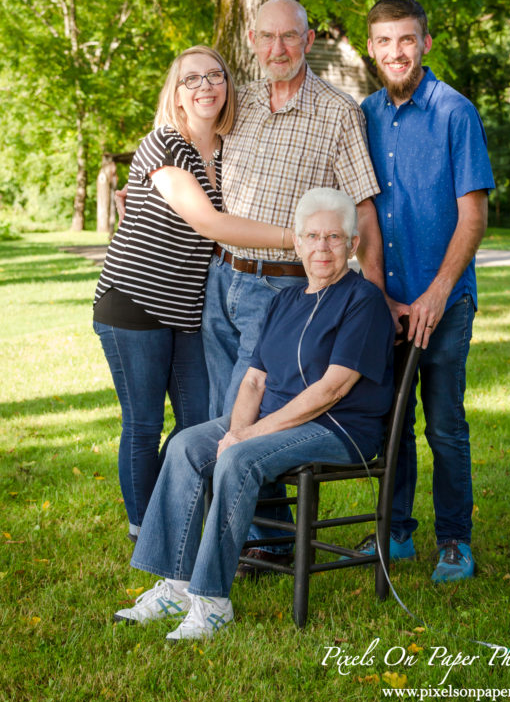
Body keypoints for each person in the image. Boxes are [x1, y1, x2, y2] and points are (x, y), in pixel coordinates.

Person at [112, 188, 394, 640]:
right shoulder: (285, 300)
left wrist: (247, 438)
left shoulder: (362, 301)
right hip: (277, 420)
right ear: (297, 243)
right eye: (312, 237)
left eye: (334, 238)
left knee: (239, 458)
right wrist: (238, 428)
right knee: (185, 445)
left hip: (339, 428)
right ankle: (176, 586)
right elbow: (254, 381)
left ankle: (212, 603)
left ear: (352, 245)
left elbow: (331, 389)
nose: (322, 247)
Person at [201, 0, 383, 573]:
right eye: (266, 37)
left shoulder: (338, 112)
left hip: (283, 289)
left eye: (290, 38)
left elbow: (364, 210)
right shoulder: (241, 103)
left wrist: (371, 297)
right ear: (251, 41)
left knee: (251, 414)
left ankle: (261, 545)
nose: (277, 49)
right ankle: (265, 539)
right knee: (224, 414)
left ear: (307, 42)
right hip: (225, 276)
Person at [93, 46, 294, 543]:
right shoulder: (165, 144)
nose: (205, 86)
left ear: (227, 86)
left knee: (198, 424)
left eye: (214, 76)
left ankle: (173, 514)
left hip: (187, 311)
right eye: (191, 80)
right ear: (176, 95)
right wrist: (299, 238)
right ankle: (146, 534)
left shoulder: (225, 152)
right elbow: (210, 222)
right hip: (134, 303)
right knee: (143, 423)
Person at [359, 0, 494, 583]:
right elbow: (358, 212)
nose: (396, 52)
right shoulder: (359, 114)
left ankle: (455, 541)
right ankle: (396, 530)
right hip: (384, 304)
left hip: (445, 301)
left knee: (443, 424)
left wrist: (438, 291)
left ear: (426, 44)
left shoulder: (454, 112)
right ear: (370, 48)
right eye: (385, 41)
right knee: (391, 422)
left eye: (406, 40)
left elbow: (473, 215)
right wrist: (378, 294)